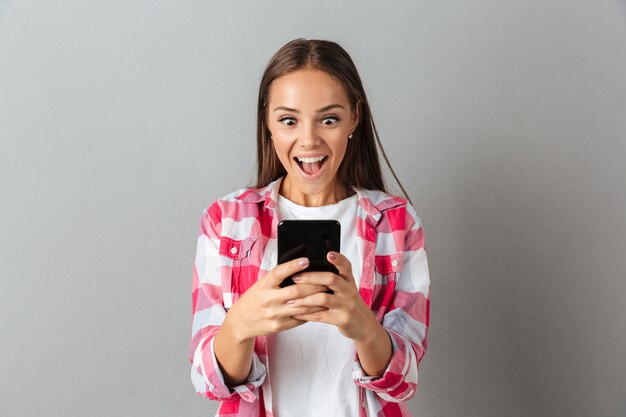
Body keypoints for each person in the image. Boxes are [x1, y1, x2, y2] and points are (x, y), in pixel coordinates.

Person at [190, 38, 430, 417]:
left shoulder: (396, 223)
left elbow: (403, 383)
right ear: (267, 122)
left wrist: (364, 326)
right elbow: (209, 382)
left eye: (329, 119)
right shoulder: (227, 221)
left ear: (355, 118)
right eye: (289, 120)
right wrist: (239, 326)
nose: (309, 140)